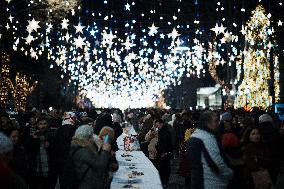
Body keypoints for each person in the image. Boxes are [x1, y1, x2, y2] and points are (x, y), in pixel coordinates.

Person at [187, 110, 233, 189]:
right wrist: (230, 173)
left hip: (200, 180)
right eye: (215, 121)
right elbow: (217, 163)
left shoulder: (196, 135)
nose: (218, 123)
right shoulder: (206, 138)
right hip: (211, 183)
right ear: (207, 123)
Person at [71, 125, 111, 189]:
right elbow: (99, 165)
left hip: (89, 182)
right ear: (88, 137)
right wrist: (105, 151)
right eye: (92, 136)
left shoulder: (81, 146)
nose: (93, 138)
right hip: (88, 184)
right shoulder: (82, 150)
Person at [155, 118, 173, 188]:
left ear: (161, 124)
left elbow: (166, 144)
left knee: (164, 169)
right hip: (163, 153)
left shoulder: (165, 131)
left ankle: (164, 182)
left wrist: (165, 152)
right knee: (163, 168)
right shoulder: (163, 130)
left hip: (164, 153)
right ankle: (164, 182)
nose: (157, 127)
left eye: (157, 125)